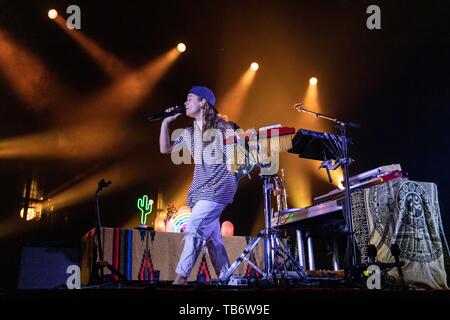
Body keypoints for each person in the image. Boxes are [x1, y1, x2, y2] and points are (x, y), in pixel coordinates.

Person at [159, 86, 238, 285]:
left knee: (194, 227)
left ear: (203, 102)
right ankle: (227, 279)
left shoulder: (222, 127)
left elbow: (234, 157)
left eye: (190, 98)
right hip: (201, 189)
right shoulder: (188, 132)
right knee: (213, 240)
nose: (185, 103)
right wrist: (166, 122)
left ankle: (181, 278)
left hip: (219, 186)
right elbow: (165, 148)